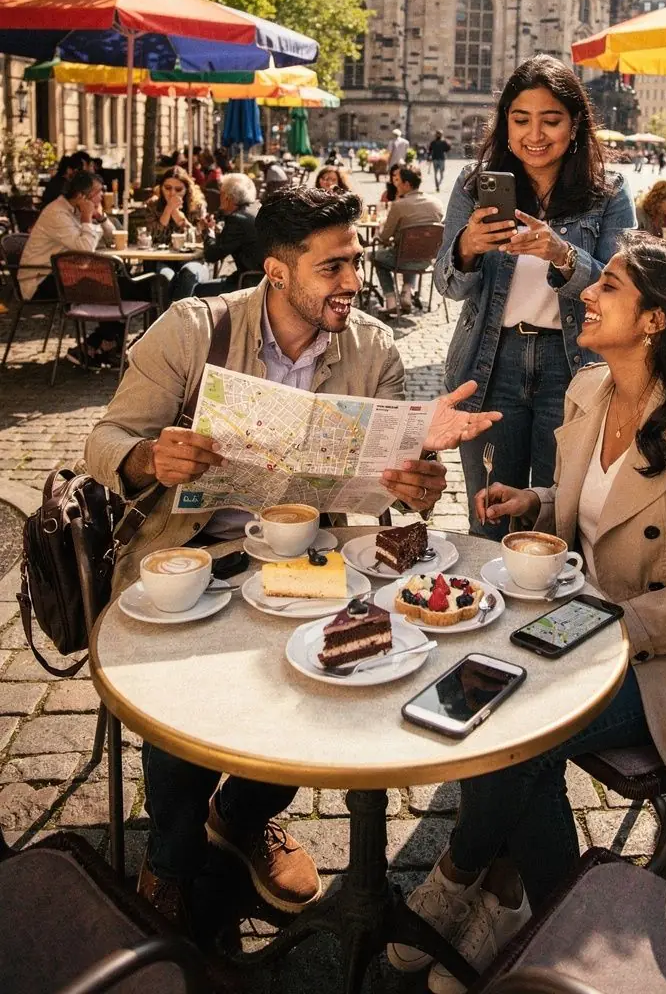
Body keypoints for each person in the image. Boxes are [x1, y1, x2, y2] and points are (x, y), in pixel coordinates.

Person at [84, 185, 500, 935]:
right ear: (277, 272)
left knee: (329, 686)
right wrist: (150, 455)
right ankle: (172, 861)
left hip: (316, 559)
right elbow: (104, 442)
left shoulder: (373, 347)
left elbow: (395, 495)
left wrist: (414, 485)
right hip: (196, 550)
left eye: (357, 261)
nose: (353, 281)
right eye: (333, 267)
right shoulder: (194, 328)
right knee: (183, 694)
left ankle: (242, 816)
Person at [393, 234, 666, 993]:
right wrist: (532, 502)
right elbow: (590, 502)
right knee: (469, 686)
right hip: (582, 623)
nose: (585, 294)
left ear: (655, 322)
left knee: (519, 737)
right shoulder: (589, 390)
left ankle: (471, 877)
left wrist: (616, 629)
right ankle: (528, 901)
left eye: (607, 285)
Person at [434, 54, 636, 539]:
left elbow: (624, 290)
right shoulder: (473, 185)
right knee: (489, 514)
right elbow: (447, 284)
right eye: (521, 119)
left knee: (555, 520)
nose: (535, 134)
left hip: (572, 369)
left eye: (551, 120)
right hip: (490, 360)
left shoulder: (607, 193)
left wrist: (562, 254)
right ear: (505, 124)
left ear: (575, 126)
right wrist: (465, 249)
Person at [19, 170, 150, 367]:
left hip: (66, 275)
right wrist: (88, 217)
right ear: (82, 196)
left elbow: (112, 238)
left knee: (117, 285)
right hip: (40, 279)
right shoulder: (57, 213)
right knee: (123, 288)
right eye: (98, 192)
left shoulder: (76, 211)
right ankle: (104, 345)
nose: (101, 196)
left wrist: (101, 217)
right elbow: (85, 249)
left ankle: (98, 345)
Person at [170, 173, 264, 299]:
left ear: (227, 198)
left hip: (248, 284)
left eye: (221, 193)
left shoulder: (237, 219)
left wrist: (207, 232)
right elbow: (234, 241)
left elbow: (212, 255)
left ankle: (178, 316)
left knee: (193, 289)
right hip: (261, 280)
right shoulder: (256, 209)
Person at [373, 165, 443, 315]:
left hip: (402, 259)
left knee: (376, 257)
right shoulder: (437, 203)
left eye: (399, 181)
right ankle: (406, 292)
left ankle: (391, 301)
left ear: (406, 184)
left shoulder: (399, 205)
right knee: (413, 250)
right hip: (427, 260)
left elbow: (385, 237)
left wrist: (378, 233)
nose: (396, 184)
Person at [145, 166, 209, 302]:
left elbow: (199, 238)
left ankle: (176, 318)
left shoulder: (197, 206)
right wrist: (168, 210)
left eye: (178, 189)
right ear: (161, 188)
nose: (172, 193)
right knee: (165, 277)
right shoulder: (153, 205)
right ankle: (169, 318)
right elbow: (154, 238)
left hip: (192, 259)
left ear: (187, 190)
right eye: (167, 188)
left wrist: (181, 220)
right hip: (163, 259)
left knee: (188, 274)